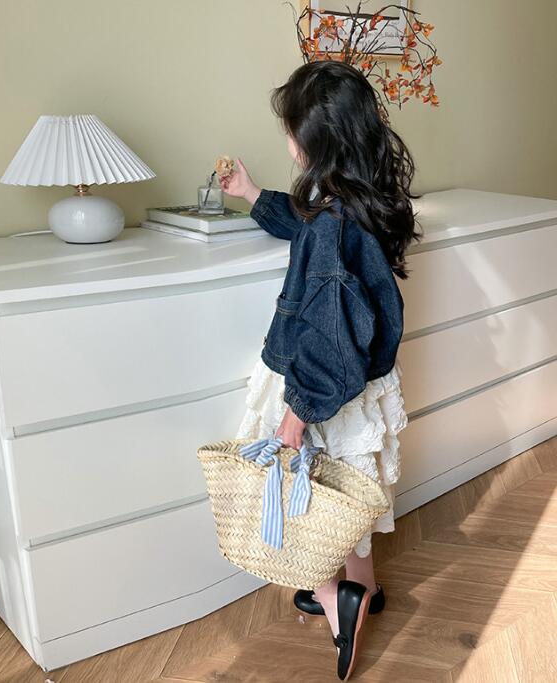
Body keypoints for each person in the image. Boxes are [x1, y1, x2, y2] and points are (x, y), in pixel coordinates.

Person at [220, 60, 421, 680]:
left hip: (321, 389)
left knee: (314, 494)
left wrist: (295, 415)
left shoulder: (329, 226)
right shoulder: (362, 201)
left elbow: (328, 337)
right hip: (364, 386)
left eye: (290, 128)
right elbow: (306, 225)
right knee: (353, 493)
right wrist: (253, 194)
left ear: (311, 142)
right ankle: (368, 587)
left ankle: (336, 599)